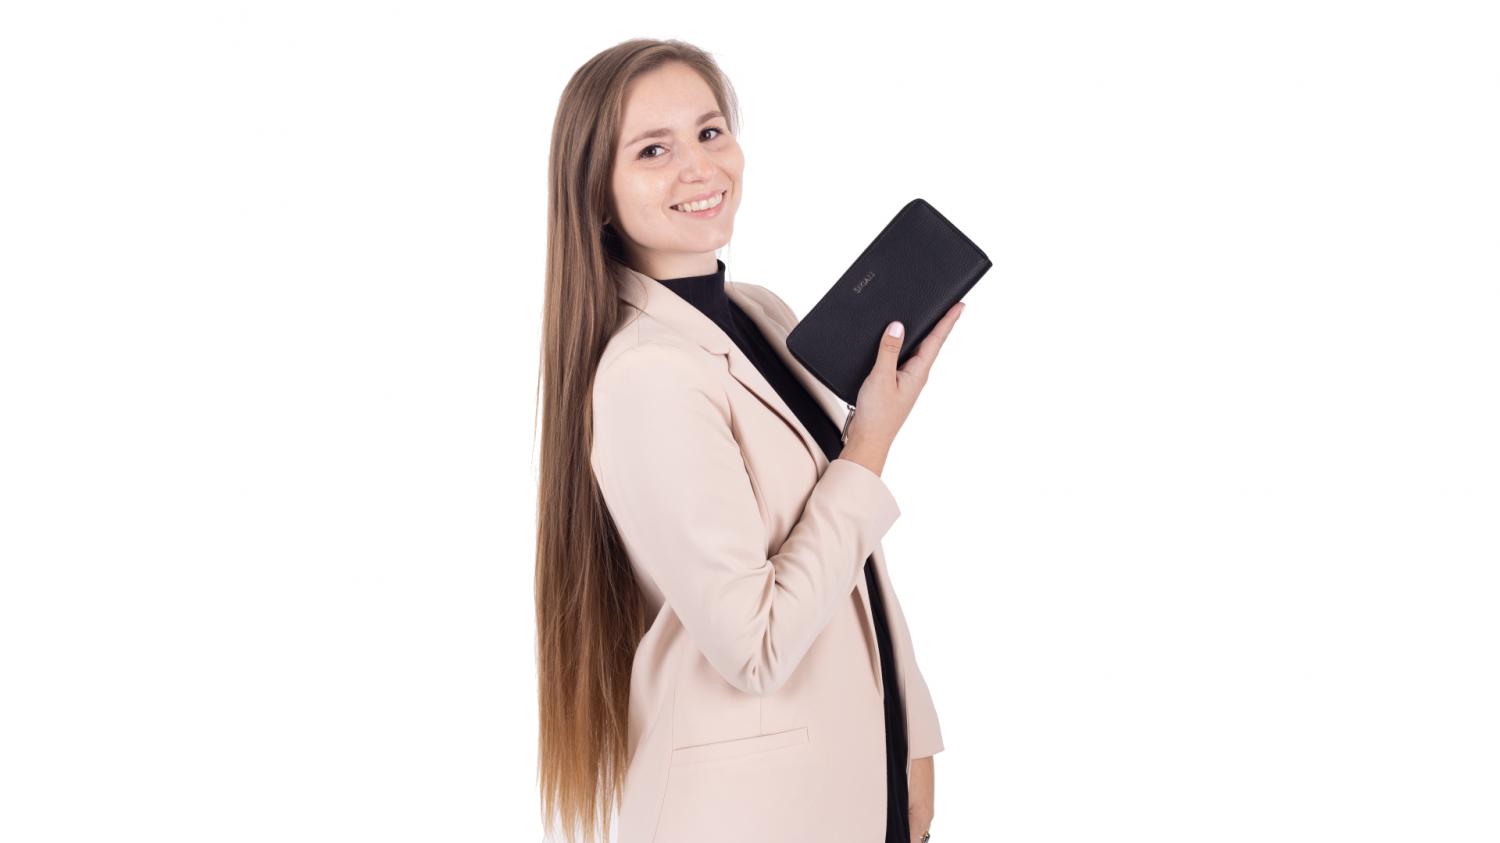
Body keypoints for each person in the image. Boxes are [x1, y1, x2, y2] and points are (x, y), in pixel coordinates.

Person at [534, 38, 963, 843]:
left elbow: (849, 563)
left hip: (853, 781)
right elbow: (755, 645)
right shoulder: (647, 373)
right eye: (653, 150)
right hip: (749, 814)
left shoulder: (760, 312)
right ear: (597, 192)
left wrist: (912, 732)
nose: (699, 167)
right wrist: (870, 443)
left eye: (710, 132)